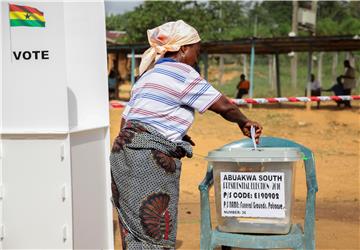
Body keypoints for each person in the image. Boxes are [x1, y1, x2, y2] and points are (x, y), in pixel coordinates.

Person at [110, 20, 262, 249]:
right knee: (153, 227)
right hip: (148, 158)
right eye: (196, 51)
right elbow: (223, 106)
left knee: (132, 226)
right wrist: (245, 121)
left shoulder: (147, 76)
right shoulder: (183, 73)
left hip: (122, 154)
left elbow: (129, 121)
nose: (196, 58)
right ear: (183, 49)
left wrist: (172, 136)